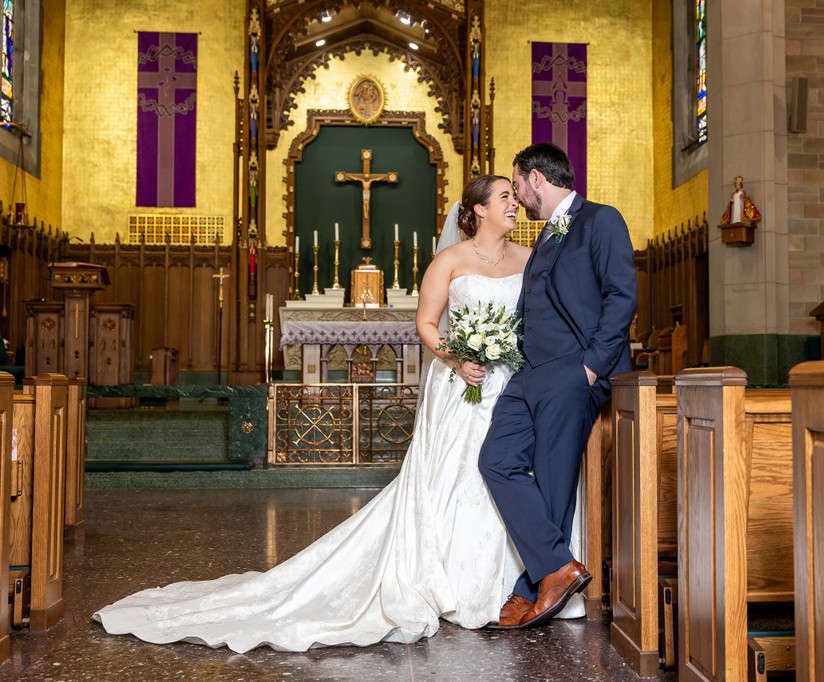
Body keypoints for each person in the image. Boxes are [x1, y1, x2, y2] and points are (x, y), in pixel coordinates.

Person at [93, 175, 584, 652]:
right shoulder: (450, 260)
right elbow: (426, 323)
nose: (515, 203)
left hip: (515, 384)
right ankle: (457, 582)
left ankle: (519, 581)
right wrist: (459, 357)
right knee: (458, 478)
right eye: (505, 196)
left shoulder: (530, 257)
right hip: (462, 385)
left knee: (511, 473)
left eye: (514, 196)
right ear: (478, 209)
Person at [479, 142, 637, 630]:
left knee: (551, 478)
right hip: (530, 374)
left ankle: (531, 587)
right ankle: (557, 568)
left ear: (537, 179)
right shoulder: (550, 232)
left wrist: (590, 367)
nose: (518, 196)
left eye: (519, 184)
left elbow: (621, 296)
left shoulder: (600, 219)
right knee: (496, 459)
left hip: (574, 373)